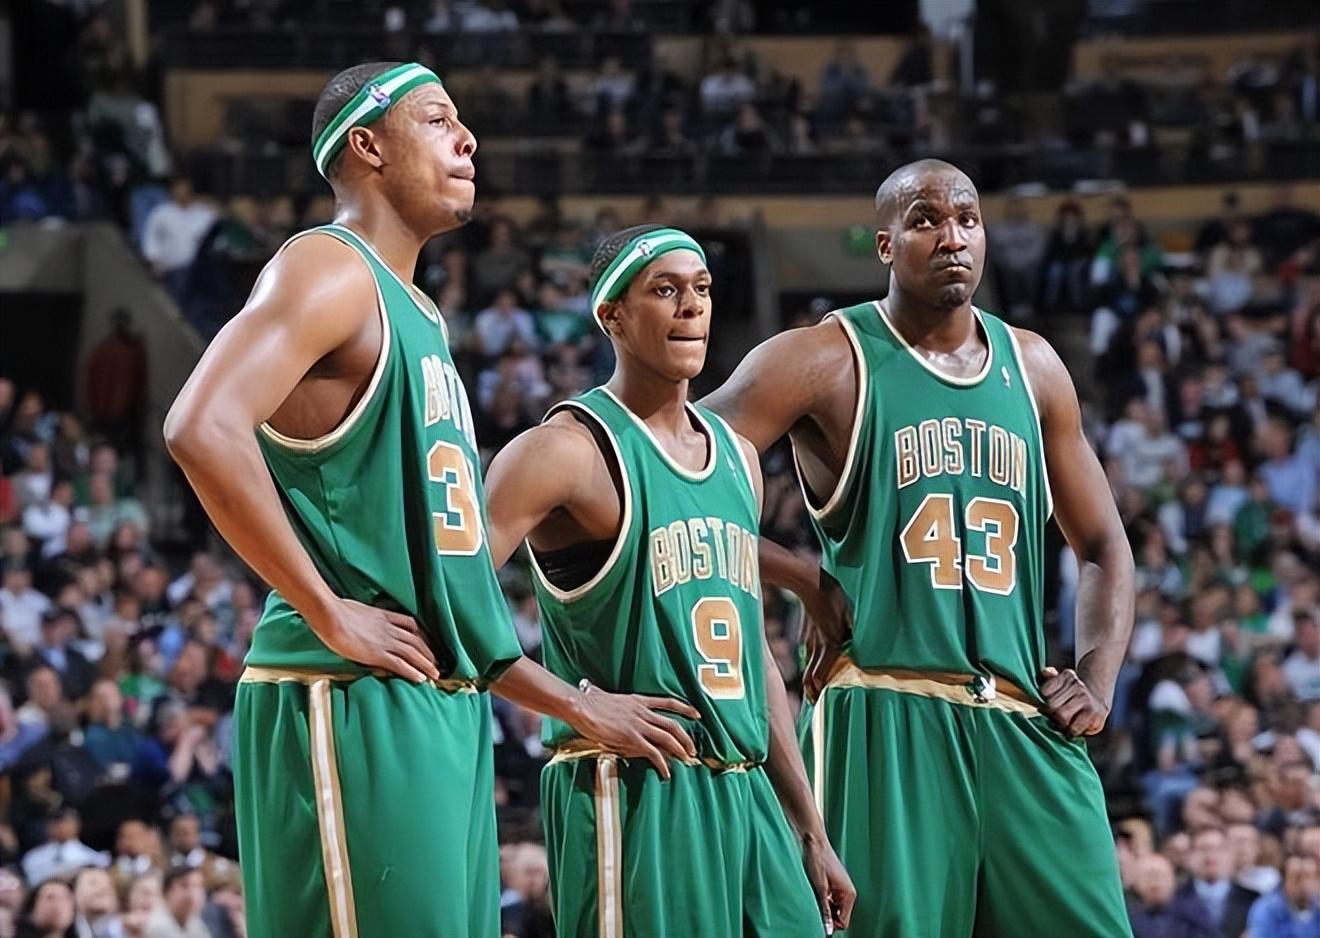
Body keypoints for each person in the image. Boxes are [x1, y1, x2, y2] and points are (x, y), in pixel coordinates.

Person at [163, 61, 697, 938]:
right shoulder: (330, 268)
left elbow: (448, 582)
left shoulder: (419, 312)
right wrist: (328, 610)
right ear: (367, 146)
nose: (468, 138)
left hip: (435, 697)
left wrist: (569, 702)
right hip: (346, 689)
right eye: (438, 119)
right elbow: (199, 426)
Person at [705, 159, 1136, 937]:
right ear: (885, 244)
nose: (952, 237)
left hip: (1022, 715)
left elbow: (1104, 542)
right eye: (926, 220)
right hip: (884, 709)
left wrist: (1097, 678)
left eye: (967, 219)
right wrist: (800, 576)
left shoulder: (1035, 367)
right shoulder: (822, 358)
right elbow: (664, 474)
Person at [484, 225, 855, 937]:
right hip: (636, 788)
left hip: (749, 795)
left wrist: (810, 829)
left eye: (702, 288)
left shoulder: (737, 458)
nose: (691, 306)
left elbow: (752, 659)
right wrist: (575, 704)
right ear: (612, 316)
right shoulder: (562, 452)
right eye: (665, 289)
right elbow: (449, 599)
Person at [1245, 853, 1320, 938]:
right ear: (1284, 880)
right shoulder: (1267, 910)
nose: (1303, 883)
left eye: (1308, 876)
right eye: (1297, 877)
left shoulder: (1317, 907)